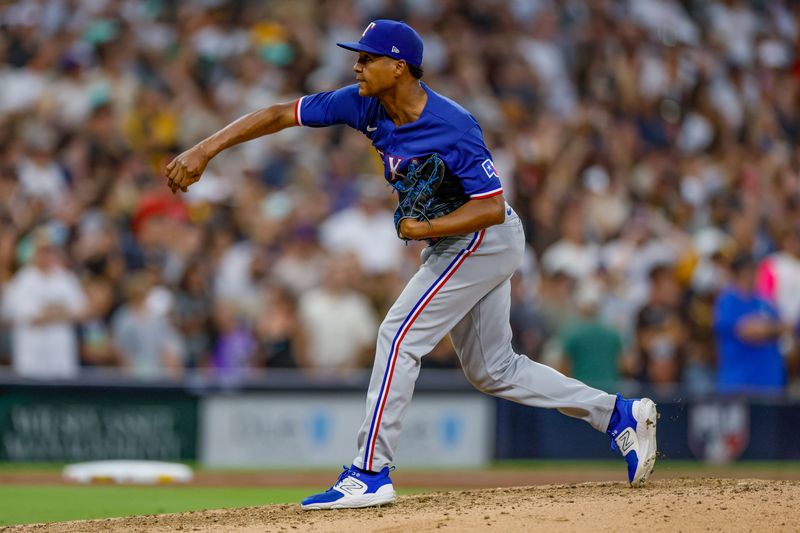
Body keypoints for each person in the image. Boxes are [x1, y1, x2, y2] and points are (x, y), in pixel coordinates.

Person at [166, 20, 658, 509]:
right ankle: (618, 415)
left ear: (398, 66)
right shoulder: (364, 103)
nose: (356, 65)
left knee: (398, 335)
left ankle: (369, 472)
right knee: (493, 370)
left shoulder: (453, 124)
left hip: (483, 236)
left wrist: (424, 230)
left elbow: (490, 203)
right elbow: (280, 114)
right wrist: (205, 148)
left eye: (367, 57)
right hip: (462, 240)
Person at [713, 253, 787, 394]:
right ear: (738, 272)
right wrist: (770, 328)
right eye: (748, 270)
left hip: (769, 384)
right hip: (738, 385)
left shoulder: (764, 301)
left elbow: (784, 326)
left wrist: (765, 328)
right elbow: (747, 331)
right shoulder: (728, 300)